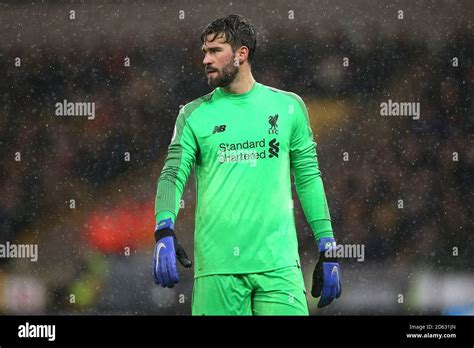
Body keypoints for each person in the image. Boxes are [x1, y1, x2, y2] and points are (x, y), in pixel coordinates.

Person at [152, 14, 341, 315]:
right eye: (204, 51)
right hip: (218, 269)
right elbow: (172, 173)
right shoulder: (193, 114)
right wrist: (164, 227)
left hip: (279, 267)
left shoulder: (288, 107)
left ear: (242, 54)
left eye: (215, 51)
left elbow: (308, 179)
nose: (206, 59)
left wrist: (328, 246)